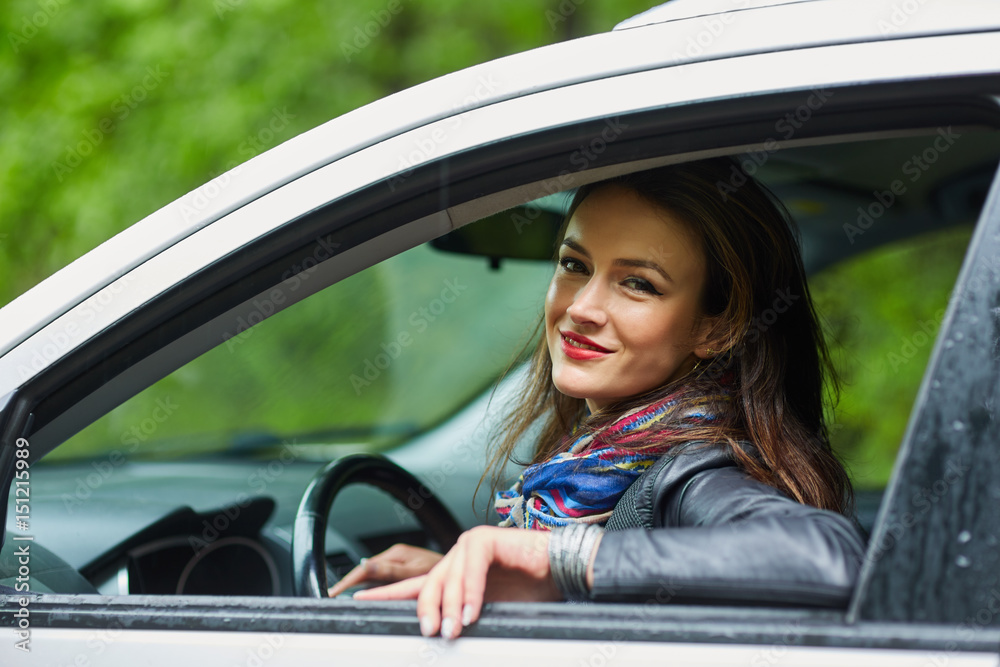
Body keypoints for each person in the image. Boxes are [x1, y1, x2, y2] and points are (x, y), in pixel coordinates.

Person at [327, 158, 866, 640]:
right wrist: (457, 573)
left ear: (716, 328)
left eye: (638, 284)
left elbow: (825, 558)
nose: (582, 306)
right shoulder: (601, 461)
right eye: (574, 265)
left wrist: (556, 557)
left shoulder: (700, 470)